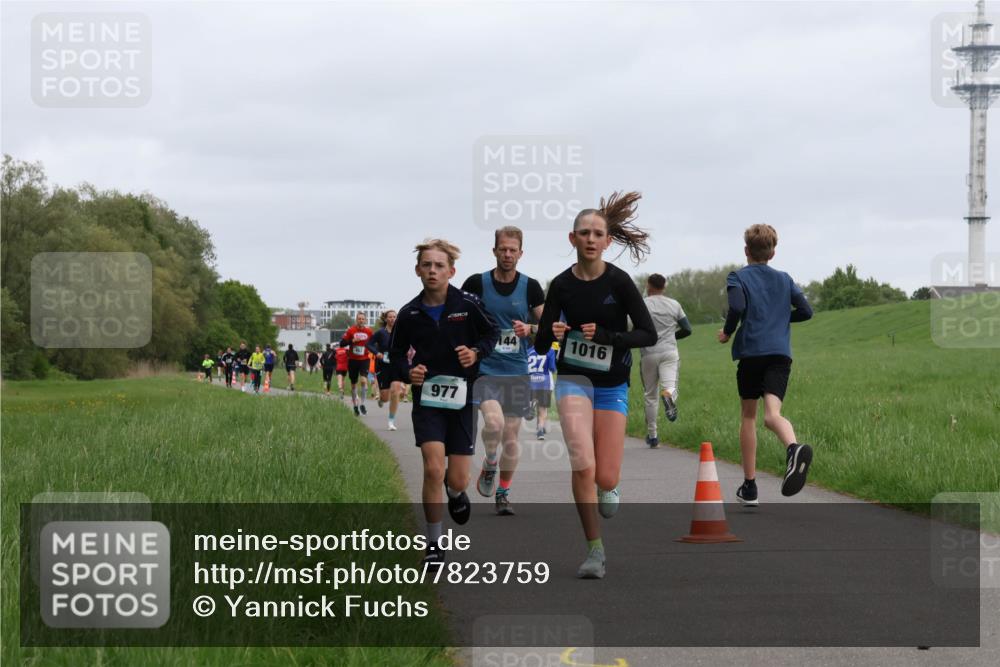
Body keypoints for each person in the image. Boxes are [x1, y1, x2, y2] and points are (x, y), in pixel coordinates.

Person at [534, 191, 656, 579]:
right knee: (582, 462)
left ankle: (609, 487)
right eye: (583, 232)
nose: (590, 239)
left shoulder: (619, 282)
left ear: (607, 241)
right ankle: (594, 550)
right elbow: (540, 343)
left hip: (611, 384)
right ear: (572, 239)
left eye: (597, 233)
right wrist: (551, 332)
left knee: (605, 476)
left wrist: (608, 336)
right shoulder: (561, 285)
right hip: (573, 379)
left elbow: (647, 334)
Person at [388, 239, 499, 567]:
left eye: (439, 266)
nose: (433, 271)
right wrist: (410, 373)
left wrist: (476, 352)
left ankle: (455, 493)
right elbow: (394, 356)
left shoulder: (467, 303)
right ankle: (434, 543)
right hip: (429, 400)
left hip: (462, 398)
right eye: (427, 265)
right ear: (418, 270)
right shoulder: (409, 313)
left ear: (451, 271)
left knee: (457, 479)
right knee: (433, 468)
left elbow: (491, 334)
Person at [718, 223, 813, 507]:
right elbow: (806, 311)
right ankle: (793, 448)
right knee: (772, 416)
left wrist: (727, 332)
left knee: (749, 416)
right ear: (772, 252)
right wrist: (781, 318)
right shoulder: (784, 279)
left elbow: (736, 307)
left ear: (746, 250)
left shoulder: (738, 277)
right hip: (780, 354)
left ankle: (750, 487)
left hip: (752, 353)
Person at [462, 226, 545, 516]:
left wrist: (531, 328)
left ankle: (503, 492)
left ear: (521, 253)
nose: (508, 254)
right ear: (494, 250)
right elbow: (459, 317)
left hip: (517, 370)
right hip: (485, 367)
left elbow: (549, 331)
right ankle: (490, 462)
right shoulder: (476, 283)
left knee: (511, 436)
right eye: (503, 249)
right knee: (494, 424)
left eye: (513, 250)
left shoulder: (531, 287)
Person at [639, 273, 692, 448]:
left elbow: (631, 326)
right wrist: (672, 336)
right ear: (664, 287)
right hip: (669, 351)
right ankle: (669, 396)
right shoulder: (674, 304)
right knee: (670, 386)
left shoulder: (642, 304)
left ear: (649, 286)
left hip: (648, 352)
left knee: (650, 395)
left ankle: (653, 436)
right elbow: (687, 329)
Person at [368, 310, 403, 431]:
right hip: (382, 367)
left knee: (396, 390)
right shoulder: (380, 333)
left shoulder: (401, 332)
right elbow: (369, 344)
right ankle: (382, 401)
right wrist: (377, 353)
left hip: (396, 366)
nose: (393, 319)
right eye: (390, 317)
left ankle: (391, 421)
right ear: (386, 319)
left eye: (394, 317)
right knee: (385, 397)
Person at [340, 313, 374, 415]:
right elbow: (342, 343)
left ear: (365, 320)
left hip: (364, 359)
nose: (361, 320)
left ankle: (362, 404)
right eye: (359, 319)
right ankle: (355, 405)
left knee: (363, 381)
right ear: (356, 320)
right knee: (353, 384)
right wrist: (351, 341)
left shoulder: (369, 331)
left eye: (363, 319)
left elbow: (374, 343)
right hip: (353, 360)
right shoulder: (351, 330)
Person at [526, 343, 557, 440]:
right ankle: (540, 430)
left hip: (531, 382)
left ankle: (531, 404)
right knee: (543, 408)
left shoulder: (528, 351)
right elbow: (552, 368)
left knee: (536, 403)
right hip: (545, 383)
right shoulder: (550, 351)